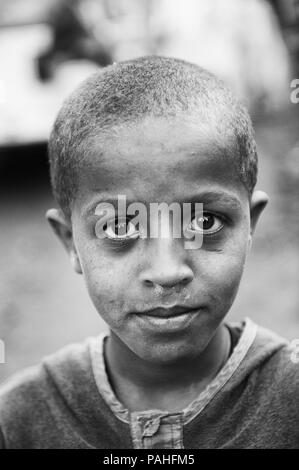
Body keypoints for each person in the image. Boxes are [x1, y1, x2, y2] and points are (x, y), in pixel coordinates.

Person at [0, 56, 298, 449]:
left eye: (204, 222)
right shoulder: (20, 419)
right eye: (120, 227)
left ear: (249, 225)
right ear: (70, 241)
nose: (168, 270)